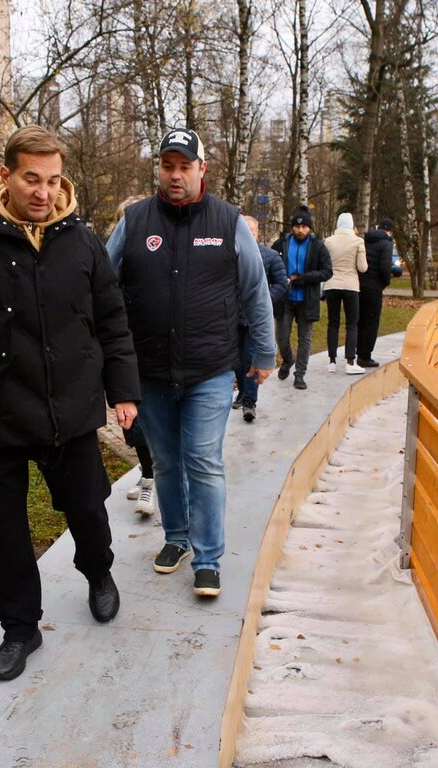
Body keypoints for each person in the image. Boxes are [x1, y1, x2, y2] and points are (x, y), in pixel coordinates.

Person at [0, 125, 140, 682]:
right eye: (31, 179)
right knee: (4, 529)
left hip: (71, 411)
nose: (42, 192)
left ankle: (98, 572)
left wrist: (123, 391)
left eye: (53, 180)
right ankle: (19, 627)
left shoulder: (80, 241)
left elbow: (112, 322)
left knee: (88, 507)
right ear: (6, 175)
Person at [105, 127, 276, 598]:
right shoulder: (136, 220)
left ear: (203, 169)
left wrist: (263, 350)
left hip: (210, 369)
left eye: (185, 166)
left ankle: (208, 559)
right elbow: (101, 281)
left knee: (202, 460)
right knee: (164, 460)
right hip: (151, 369)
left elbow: (255, 290)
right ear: (158, 168)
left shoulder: (227, 221)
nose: (175, 175)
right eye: (168, 165)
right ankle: (176, 539)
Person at [112, 195, 157, 517]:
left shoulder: (157, 254)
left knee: (150, 419)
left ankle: (153, 481)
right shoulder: (116, 256)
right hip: (125, 348)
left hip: (154, 349)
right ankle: (147, 474)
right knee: (132, 421)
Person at [273, 205, 332, 390]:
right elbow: (269, 263)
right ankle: (288, 359)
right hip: (285, 298)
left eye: (304, 227)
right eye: (297, 227)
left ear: (310, 228)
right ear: (292, 227)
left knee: (304, 339)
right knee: (281, 336)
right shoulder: (281, 243)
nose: (300, 230)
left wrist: (304, 278)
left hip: (307, 299)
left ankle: (300, 374)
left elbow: (327, 271)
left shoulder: (318, 246)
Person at [235, 214, 287, 422]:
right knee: (237, 361)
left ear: (257, 233)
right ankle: (241, 394)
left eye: (252, 231)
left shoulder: (270, 256)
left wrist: (262, 302)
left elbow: (281, 283)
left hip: (254, 320)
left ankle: (249, 402)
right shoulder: (231, 255)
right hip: (232, 318)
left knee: (250, 358)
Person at [322, 212, 367, 374]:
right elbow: (362, 267)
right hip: (351, 285)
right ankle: (350, 361)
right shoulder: (358, 241)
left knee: (333, 323)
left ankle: (332, 361)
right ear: (352, 224)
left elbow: (324, 263)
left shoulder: (328, 241)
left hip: (331, 284)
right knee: (352, 323)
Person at [359, 218, 395, 368]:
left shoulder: (365, 241)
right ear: (390, 231)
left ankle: (356, 351)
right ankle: (365, 356)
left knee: (360, 320)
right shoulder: (386, 244)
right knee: (372, 321)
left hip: (360, 285)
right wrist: (385, 283)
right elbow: (385, 267)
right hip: (374, 288)